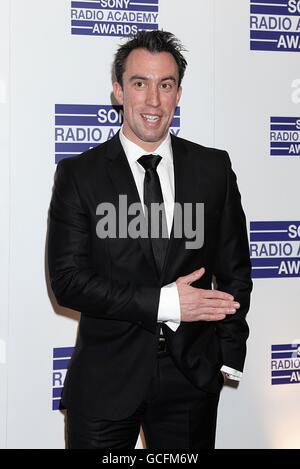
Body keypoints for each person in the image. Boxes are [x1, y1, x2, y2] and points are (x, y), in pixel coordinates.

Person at [48, 30, 252, 449]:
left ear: (179, 92)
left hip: (191, 379)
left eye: (166, 84)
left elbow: (236, 269)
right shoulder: (79, 175)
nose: (153, 101)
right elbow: (68, 280)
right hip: (106, 378)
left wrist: (229, 353)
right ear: (118, 90)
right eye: (140, 84)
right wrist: (167, 302)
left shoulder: (213, 169)